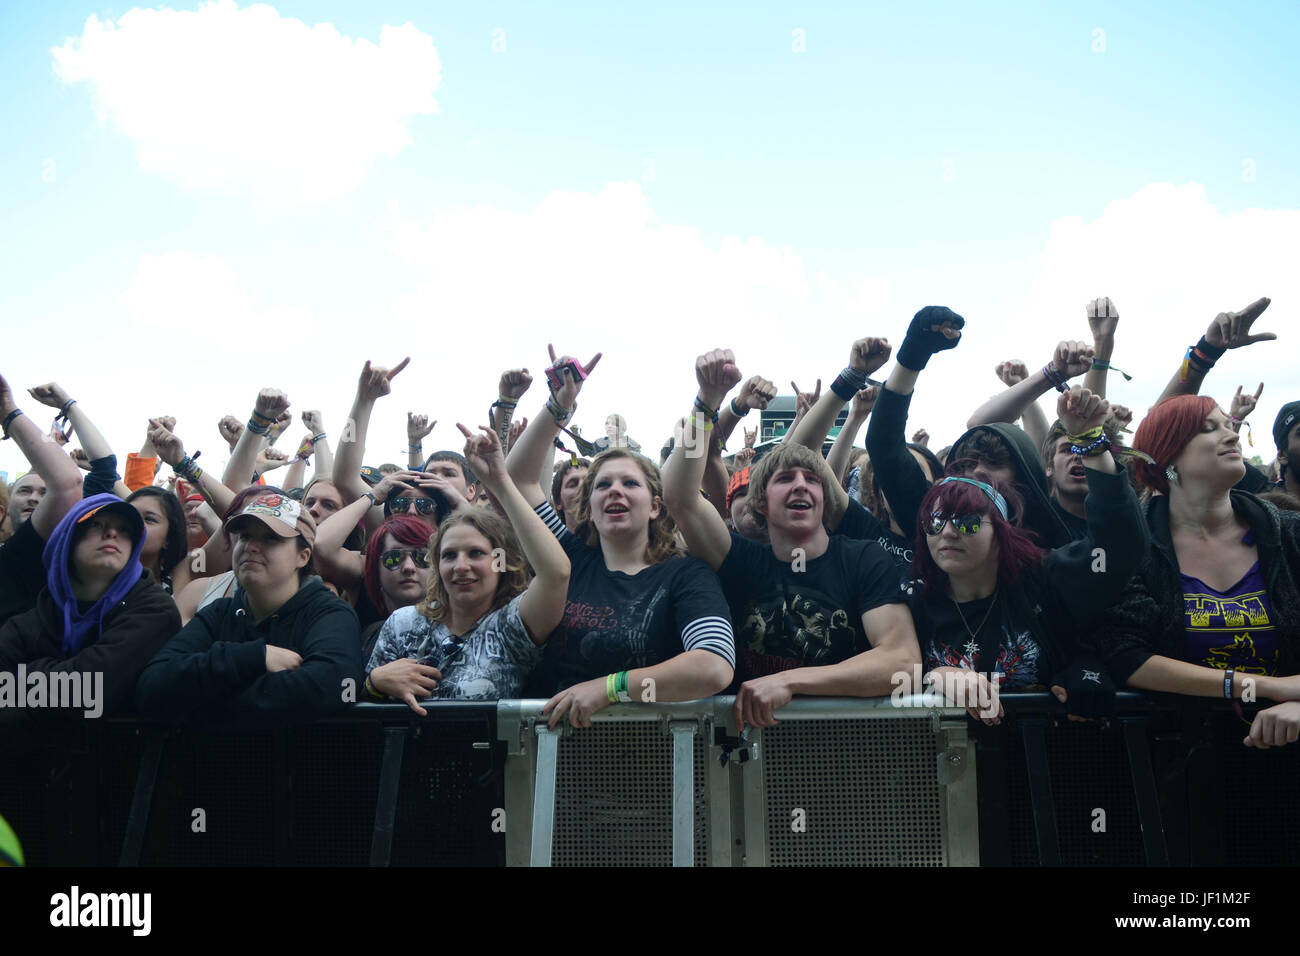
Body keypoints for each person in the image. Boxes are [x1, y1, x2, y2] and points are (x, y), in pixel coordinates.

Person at [663, 349, 919, 730]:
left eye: (811, 479)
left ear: (824, 495)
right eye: (785, 479)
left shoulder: (863, 559)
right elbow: (679, 497)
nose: (800, 484)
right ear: (761, 504)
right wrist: (708, 401)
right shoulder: (741, 561)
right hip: (751, 756)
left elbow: (902, 663)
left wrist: (789, 683)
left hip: (851, 753)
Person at [506, 344, 735, 728]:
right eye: (603, 486)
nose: (615, 491)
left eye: (630, 483)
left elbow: (713, 665)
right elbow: (521, 479)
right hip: (552, 760)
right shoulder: (567, 558)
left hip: (648, 762)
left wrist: (610, 688)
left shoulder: (686, 576)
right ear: (589, 509)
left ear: (656, 506)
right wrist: (558, 405)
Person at [910, 386, 1146, 722]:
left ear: (1002, 532)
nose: (947, 532)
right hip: (941, 768)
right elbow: (881, 677)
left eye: (967, 522)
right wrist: (934, 677)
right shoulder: (913, 597)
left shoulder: (1044, 579)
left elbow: (1121, 546)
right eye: (935, 521)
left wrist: (1091, 441)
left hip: (1039, 765)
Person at [1092, 395, 1300, 748]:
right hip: (1181, 769)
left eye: (1229, 425)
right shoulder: (1133, 549)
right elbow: (1125, 655)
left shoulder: (1291, 534)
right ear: (1169, 458)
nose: (1232, 435)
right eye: (1209, 428)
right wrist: (1266, 686)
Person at [364, 425, 570, 711]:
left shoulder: (512, 624)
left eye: (476, 554)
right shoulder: (403, 623)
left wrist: (499, 481)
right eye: (449, 555)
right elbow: (360, 709)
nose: (461, 566)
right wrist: (374, 683)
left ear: (501, 562)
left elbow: (557, 574)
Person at [135, 489, 362, 732]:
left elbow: (332, 687)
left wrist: (198, 706)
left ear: (303, 556)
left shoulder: (328, 614)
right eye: (244, 536)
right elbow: (153, 685)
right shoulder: (219, 612)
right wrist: (252, 656)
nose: (251, 546)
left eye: (270, 538)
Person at [0, 495, 180, 750]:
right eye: (96, 525)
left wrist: (22, 677)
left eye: (125, 529)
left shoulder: (155, 610)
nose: (112, 533)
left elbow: (88, 690)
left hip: (118, 775)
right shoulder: (38, 613)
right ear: (67, 540)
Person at [0, 374, 85, 626]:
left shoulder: (39, 554)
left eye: (43, 493)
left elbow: (65, 482)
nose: (34, 499)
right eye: (24, 492)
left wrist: (8, 411)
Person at [357, 514, 436, 660]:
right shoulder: (363, 637)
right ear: (376, 570)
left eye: (422, 557)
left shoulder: (455, 630)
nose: (408, 567)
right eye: (394, 558)